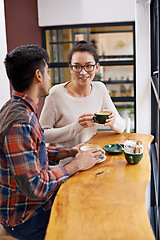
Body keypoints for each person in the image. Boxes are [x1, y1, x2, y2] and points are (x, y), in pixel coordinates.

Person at [0, 45, 103, 240]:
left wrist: (70, 152)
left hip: (33, 207)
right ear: (39, 75)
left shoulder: (18, 108)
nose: (49, 77)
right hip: (26, 218)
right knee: (91, 223)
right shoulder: (20, 122)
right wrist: (76, 165)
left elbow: (33, 154)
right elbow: (36, 186)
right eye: (47, 72)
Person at [40, 41, 126, 165]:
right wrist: (76, 127)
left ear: (96, 67)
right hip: (65, 166)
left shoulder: (100, 89)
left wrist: (112, 121)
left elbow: (121, 127)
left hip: (91, 161)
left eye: (88, 66)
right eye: (77, 66)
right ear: (70, 68)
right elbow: (43, 135)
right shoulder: (56, 94)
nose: (83, 72)